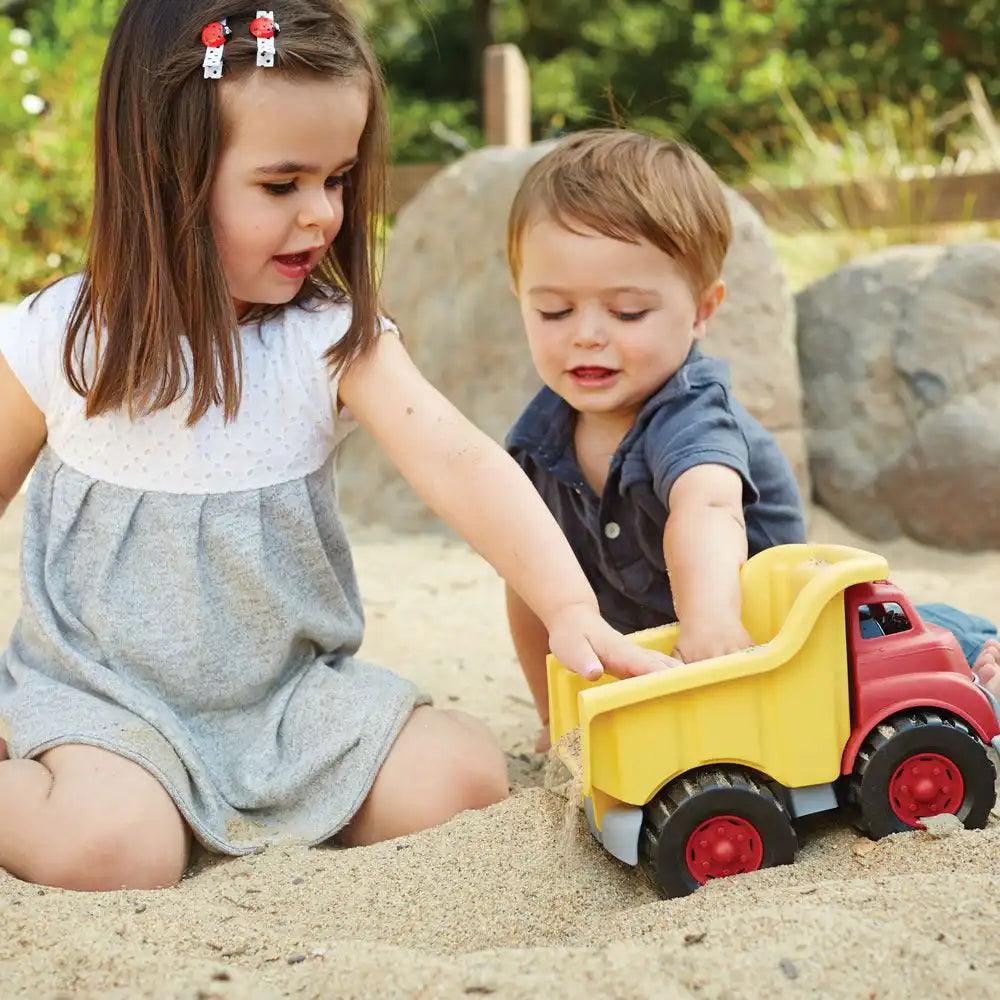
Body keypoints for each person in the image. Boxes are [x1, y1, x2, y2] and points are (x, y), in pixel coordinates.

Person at [0, 4, 673, 893]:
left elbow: (459, 460)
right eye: (281, 185)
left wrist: (569, 607)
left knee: (462, 776)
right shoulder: (68, 338)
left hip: (287, 706)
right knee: (118, 852)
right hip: (105, 704)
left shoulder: (329, 337)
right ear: (165, 173)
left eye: (341, 178)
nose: (322, 214)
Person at [501, 129, 1000, 750]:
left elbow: (705, 507)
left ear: (703, 309)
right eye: (554, 311)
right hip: (667, 650)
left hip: (773, 620)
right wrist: (556, 716)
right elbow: (528, 584)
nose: (587, 335)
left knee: (862, 659)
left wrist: (711, 622)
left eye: (628, 312)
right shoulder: (537, 440)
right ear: (520, 297)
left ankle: (975, 644)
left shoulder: (690, 412)